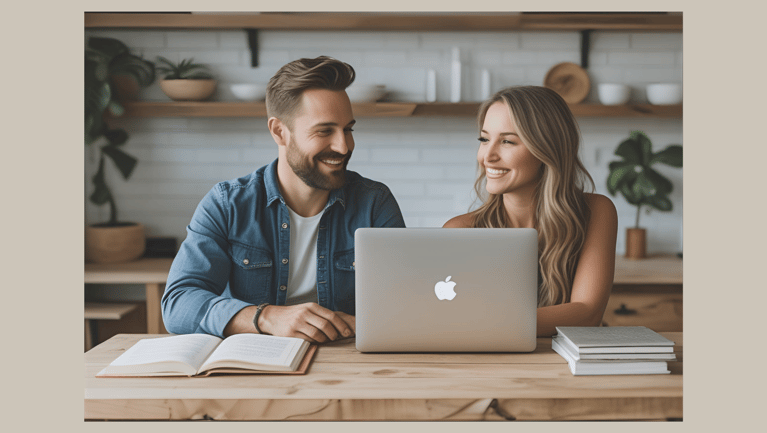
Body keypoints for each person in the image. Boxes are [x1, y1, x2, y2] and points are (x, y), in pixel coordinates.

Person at [162, 56, 406, 343]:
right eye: (325, 131)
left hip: (347, 363)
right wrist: (266, 317)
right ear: (280, 131)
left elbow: (403, 302)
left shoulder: (374, 203)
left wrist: (372, 320)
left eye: (348, 129)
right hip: (254, 367)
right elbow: (178, 304)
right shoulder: (227, 204)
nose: (343, 146)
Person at [443, 86, 618, 337]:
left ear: (547, 148)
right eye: (484, 139)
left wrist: (486, 323)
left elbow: (587, 314)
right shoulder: (460, 231)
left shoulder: (596, 211)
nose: (487, 156)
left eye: (507, 141)